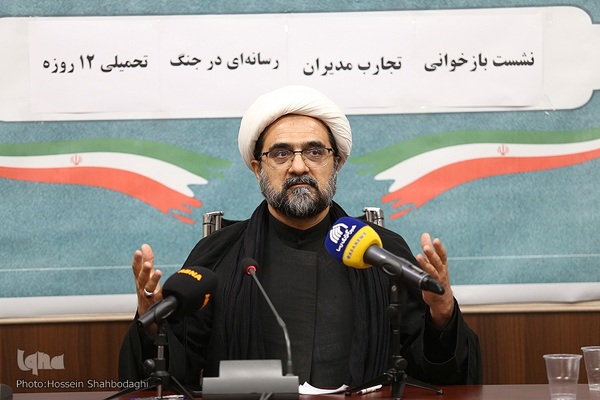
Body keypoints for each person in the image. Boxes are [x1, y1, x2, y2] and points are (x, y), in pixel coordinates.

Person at [118, 85, 482, 389]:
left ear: (336, 162)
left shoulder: (381, 251)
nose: (298, 166)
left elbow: (437, 379)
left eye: (314, 151)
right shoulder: (217, 256)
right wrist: (152, 324)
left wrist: (442, 313)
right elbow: (171, 378)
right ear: (257, 168)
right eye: (280, 153)